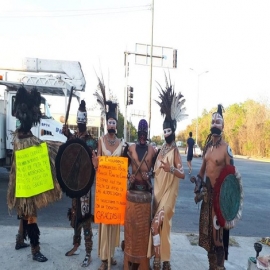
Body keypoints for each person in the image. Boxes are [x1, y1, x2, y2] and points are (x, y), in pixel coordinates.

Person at [7, 86, 62, 262]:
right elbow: (44, 148)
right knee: (31, 214)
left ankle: (19, 239)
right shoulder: (27, 141)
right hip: (26, 184)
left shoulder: (17, 137)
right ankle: (35, 249)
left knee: (23, 210)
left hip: (21, 183)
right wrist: (60, 147)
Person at [192, 104, 242, 270]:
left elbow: (232, 179)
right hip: (207, 199)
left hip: (219, 202)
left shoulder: (226, 150)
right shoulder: (207, 148)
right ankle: (211, 266)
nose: (215, 124)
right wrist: (198, 185)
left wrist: (226, 205)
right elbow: (201, 173)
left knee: (217, 237)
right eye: (213, 121)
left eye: (218, 121)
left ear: (223, 126)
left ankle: (219, 267)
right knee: (207, 239)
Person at [147, 75, 186, 270]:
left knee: (157, 224)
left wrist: (170, 168)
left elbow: (182, 174)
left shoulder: (176, 151)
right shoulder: (161, 149)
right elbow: (154, 170)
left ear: (174, 130)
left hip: (169, 195)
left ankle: (157, 261)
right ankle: (165, 260)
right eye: (164, 130)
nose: (166, 133)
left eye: (169, 130)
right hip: (157, 194)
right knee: (161, 227)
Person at [92, 77, 125, 270]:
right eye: (109, 122)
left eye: (114, 122)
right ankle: (104, 259)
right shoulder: (100, 141)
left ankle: (111, 255)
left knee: (114, 225)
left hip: (116, 192)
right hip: (105, 191)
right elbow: (97, 164)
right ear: (106, 123)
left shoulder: (122, 144)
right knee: (104, 224)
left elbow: (124, 166)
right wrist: (95, 162)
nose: (111, 125)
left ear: (116, 124)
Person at [62, 100, 97, 267]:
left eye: (83, 120)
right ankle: (76, 244)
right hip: (74, 184)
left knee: (85, 217)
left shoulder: (91, 141)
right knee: (75, 215)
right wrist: (67, 134)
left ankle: (88, 252)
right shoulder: (73, 137)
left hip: (85, 186)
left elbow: (94, 160)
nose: (81, 122)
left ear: (86, 121)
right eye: (79, 120)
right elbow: (69, 153)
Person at [123, 119, 157, 269]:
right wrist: (128, 176)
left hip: (145, 191)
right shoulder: (130, 149)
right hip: (133, 189)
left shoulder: (152, 150)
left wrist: (149, 174)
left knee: (143, 227)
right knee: (132, 225)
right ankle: (130, 253)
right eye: (140, 133)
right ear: (137, 133)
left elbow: (156, 171)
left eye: (145, 133)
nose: (142, 136)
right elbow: (123, 166)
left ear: (147, 133)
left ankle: (143, 257)